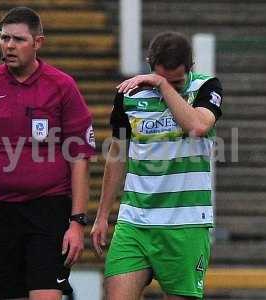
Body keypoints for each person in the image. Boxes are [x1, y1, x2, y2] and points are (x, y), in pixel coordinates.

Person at [0, 6, 95, 300]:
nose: (9, 46)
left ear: (38, 43)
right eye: (4, 38)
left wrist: (77, 222)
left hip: (48, 210)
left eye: (18, 39)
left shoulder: (62, 86)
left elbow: (79, 159)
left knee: (47, 295)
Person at [91, 31, 223, 300]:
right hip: (135, 221)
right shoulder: (129, 95)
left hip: (185, 224)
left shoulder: (205, 87)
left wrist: (162, 86)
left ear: (191, 68)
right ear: (149, 64)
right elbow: (117, 155)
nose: (171, 86)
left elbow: (198, 126)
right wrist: (102, 215)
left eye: (177, 82)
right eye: (163, 79)